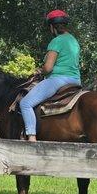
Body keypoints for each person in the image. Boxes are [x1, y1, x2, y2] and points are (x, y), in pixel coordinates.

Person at [20, 9, 81, 141]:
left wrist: (40, 71)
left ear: (52, 27)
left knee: (25, 103)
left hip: (58, 80)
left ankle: (31, 137)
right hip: (75, 81)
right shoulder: (74, 41)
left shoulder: (57, 41)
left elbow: (48, 67)